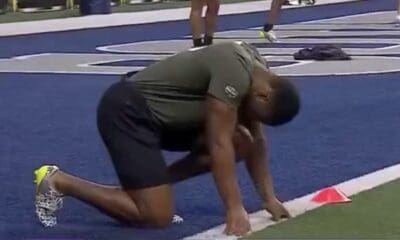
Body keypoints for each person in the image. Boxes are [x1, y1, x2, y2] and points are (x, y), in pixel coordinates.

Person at [34, 41, 300, 236]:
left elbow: (256, 141)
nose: (250, 117)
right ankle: (59, 181)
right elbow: (218, 143)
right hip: (128, 112)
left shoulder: (259, 73)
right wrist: (234, 208)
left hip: (164, 120)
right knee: (154, 216)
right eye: (254, 112)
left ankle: (146, 189)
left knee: (243, 141)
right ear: (263, 95)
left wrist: (269, 198)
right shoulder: (235, 71)